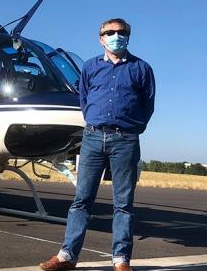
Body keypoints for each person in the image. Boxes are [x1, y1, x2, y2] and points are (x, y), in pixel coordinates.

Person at [40, 18, 155, 271]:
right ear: (101, 38)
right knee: (81, 199)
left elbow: (148, 105)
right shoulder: (90, 67)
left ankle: (121, 260)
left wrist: (130, 128)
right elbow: (84, 99)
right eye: (110, 32)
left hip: (125, 140)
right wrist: (96, 122)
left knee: (123, 203)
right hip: (92, 137)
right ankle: (67, 256)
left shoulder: (141, 68)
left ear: (128, 36)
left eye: (121, 32)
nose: (116, 35)